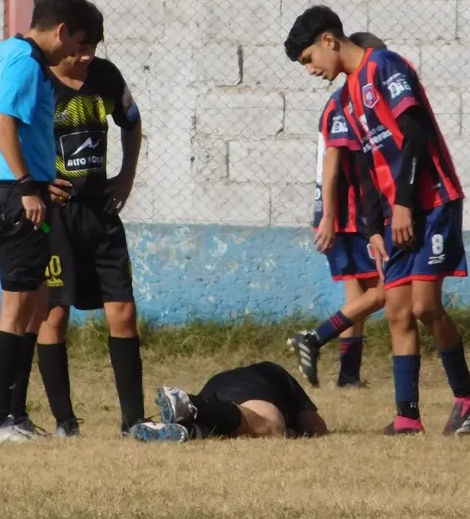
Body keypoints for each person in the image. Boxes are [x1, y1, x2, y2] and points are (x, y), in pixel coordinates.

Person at [285, 6, 470, 437]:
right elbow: (367, 168)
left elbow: (415, 134)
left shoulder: (385, 66)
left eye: (307, 59)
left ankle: (467, 396)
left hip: (429, 204)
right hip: (395, 217)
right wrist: (374, 227)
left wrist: (406, 205)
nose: (310, 70)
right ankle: (407, 418)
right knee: (396, 311)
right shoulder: (348, 94)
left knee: (424, 307)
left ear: (329, 41)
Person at [0, 0, 99, 444]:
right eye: (75, 45)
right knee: (16, 308)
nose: (75, 55)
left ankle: (15, 414)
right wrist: (22, 186)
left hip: (2, 193)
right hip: (19, 198)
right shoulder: (26, 62)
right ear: (61, 31)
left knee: (36, 300)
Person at [29, 23, 148, 438]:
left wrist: (126, 176)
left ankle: (133, 421)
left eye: (93, 48)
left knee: (124, 311)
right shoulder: (37, 79)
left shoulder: (107, 76)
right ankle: (65, 422)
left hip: (101, 212)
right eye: (81, 48)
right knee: (54, 315)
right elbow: (8, 133)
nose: (87, 57)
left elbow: (131, 122)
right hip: (56, 217)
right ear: (63, 40)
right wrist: (33, 182)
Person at [288, 34, 386, 389]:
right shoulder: (344, 103)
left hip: (347, 213)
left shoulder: (353, 100)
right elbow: (332, 162)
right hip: (347, 215)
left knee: (357, 295)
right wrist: (329, 215)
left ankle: (347, 375)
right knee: (389, 288)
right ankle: (314, 338)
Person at [129, 362, 328, 442]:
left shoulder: (268, 371)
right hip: (253, 384)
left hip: (216, 385)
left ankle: (187, 428)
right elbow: (316, 426)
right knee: (272, 424)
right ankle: (190, 403)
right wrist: (292, 432)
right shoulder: (275, 372)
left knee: (217, 430)